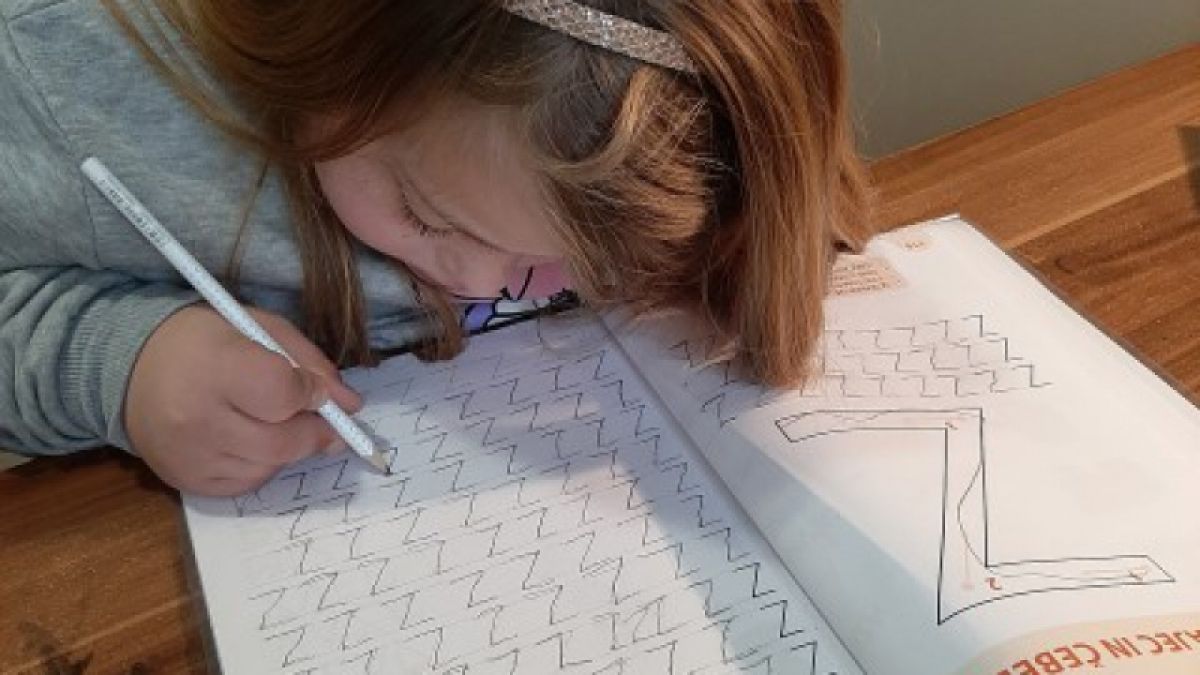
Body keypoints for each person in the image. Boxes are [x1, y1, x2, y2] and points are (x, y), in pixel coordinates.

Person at [0, 0, 869, 496]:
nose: (480, 281)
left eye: (548, 262)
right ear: (329, 45)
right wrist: (117, 364)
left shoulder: (695, 112)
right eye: (423, 213)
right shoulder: (70, 70)